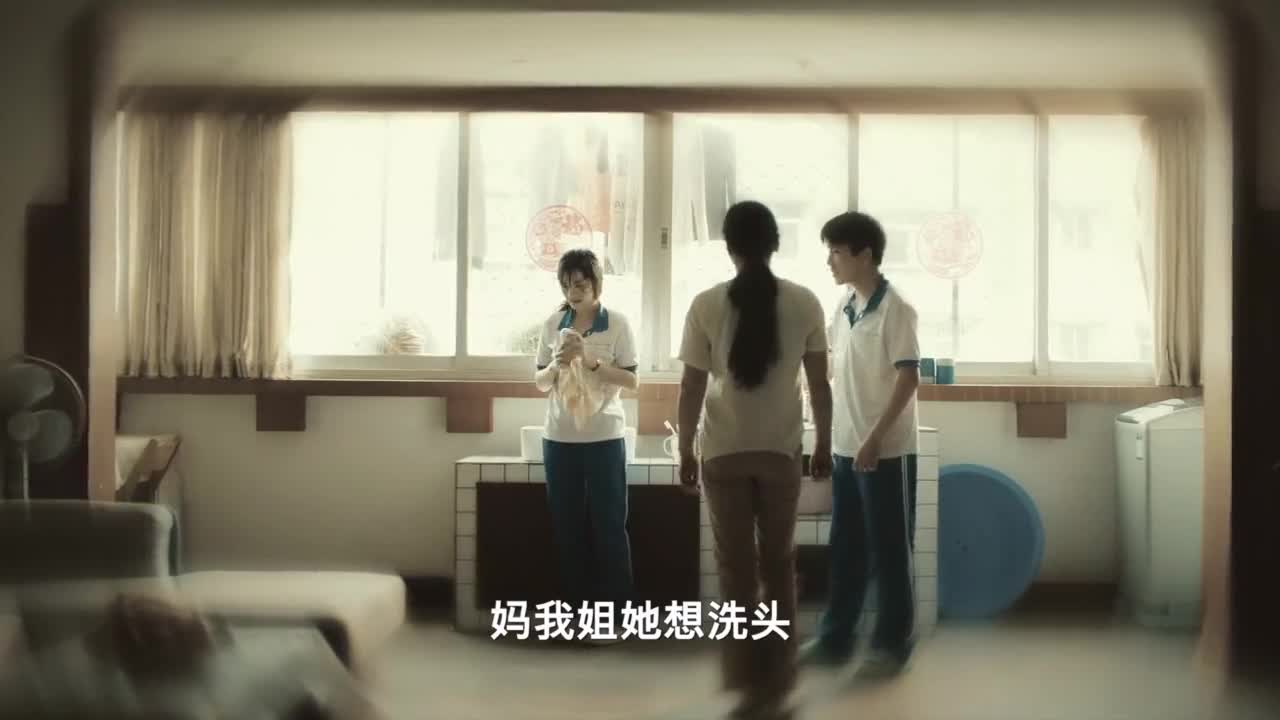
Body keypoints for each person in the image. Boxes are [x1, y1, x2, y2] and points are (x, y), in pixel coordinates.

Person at [676, 201, 833, 719]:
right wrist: (823, 443)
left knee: (736, 571)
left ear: (730, 247)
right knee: (779, 564)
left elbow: (692, 385)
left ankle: (746, 681)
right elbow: (819, 385)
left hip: (723, 451)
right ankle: (779, 681)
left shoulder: (705, 304)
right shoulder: (806, 302)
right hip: (780, 451)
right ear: (773, 243)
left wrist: (685, 449)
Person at [801, 211, 921, 676]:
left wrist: (874, 438)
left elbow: (907, 379)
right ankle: (836, 638)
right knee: (846, 546)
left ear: (864, 254)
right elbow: (838, 372)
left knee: (890, 550)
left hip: (885, 451)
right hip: (846, 447)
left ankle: (892, 644)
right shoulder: (845, 306)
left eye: (835, 252)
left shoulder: (896, 309)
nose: (829, 261)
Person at [533, 248, 640, 644]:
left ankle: (617, 617)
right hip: (559, 437)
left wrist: (591, 362)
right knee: (568, 528)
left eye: (580, 284)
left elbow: (632, 382)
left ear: (596, 284)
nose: (573, 292)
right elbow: (540, 382)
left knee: (610, 527)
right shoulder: (552, 324)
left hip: (604, 437)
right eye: (567, 285)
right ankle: (578, 615)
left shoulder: (618, 324)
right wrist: (556, 364)